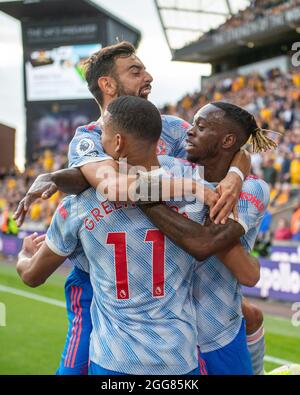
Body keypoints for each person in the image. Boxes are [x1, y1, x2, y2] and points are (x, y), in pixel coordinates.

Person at [13, 41, 251, 375]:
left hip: (166, 282)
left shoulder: (166, 124)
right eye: (135, 70)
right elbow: (112, 188)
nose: (149, 76)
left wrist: (237, 175)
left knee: (232, 322)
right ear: (107, 84)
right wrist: (193, 187)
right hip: (97, 284)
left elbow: (232, 142)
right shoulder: (89, 138)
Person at [140, 102, 274, 374]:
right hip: (168, 335)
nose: (189, 132)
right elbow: (119, 180)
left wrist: (148, 201)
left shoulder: (253, 189)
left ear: (227, 140)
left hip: (219, 334)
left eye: (200, 127)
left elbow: (206, 243)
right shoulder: (172, 169)